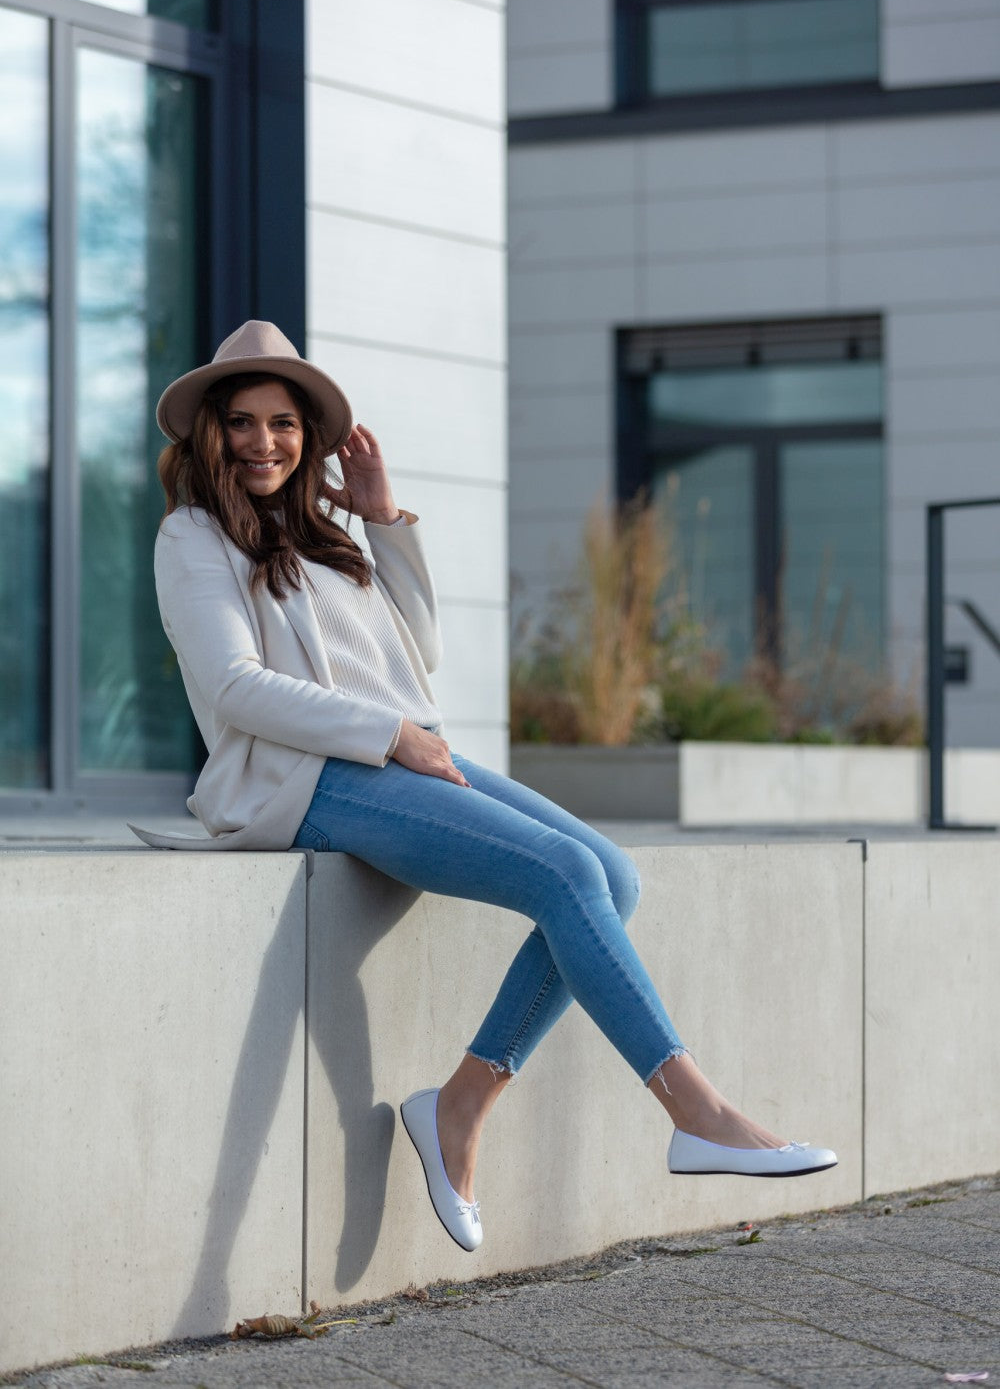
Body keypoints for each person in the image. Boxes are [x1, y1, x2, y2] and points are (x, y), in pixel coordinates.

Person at [136, 320, 837, 1254]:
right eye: (241, 422)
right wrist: (391, 736)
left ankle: (459, 1104)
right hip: (307, 782)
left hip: (396, 754)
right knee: (560, 872)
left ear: (310, 438)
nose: (264, 442)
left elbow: (416, 656)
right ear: (207, 434)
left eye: (284, 424)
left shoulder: (324, 534)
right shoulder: (192, 535)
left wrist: (383, 522)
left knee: (609, 876)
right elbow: (232, 687)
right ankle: (697, 1111)